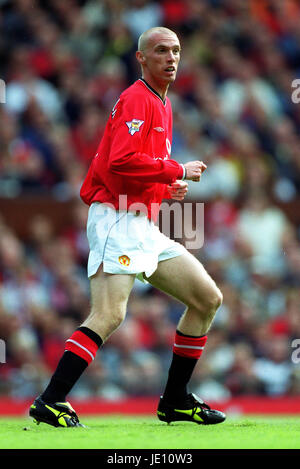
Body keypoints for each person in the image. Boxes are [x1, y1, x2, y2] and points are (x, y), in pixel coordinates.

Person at [29, 27, 225, 428]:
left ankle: (175, 400)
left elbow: (134, 168)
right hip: (116, 218)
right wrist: (176, 169)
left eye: (176, 51)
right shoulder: (137, 99)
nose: (171, 58)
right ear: (141, 58)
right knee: (108, 315)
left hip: (142, 221)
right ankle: (50, 400)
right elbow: (119, 160)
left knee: (206, 298)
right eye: (161, 51)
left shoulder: (162, 104)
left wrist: (163, 188)